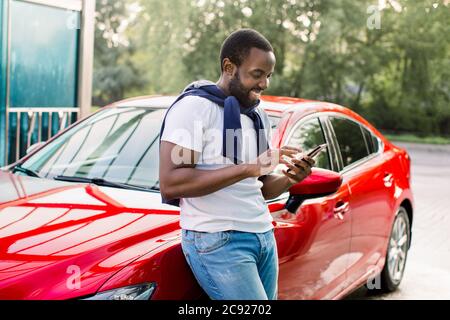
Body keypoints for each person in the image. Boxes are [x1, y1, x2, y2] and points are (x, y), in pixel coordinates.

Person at [159, 28, 314, 300]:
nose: (264, 84)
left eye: (268, 75)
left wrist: (291, 178)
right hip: (218, 240)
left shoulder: (257, 115)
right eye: (257, 74)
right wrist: (250, 167)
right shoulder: (195, 108)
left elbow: (261, 188)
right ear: (229, 67)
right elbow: (173, 183)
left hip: (262, 235)